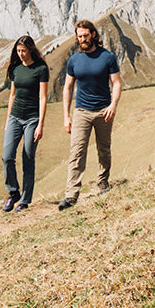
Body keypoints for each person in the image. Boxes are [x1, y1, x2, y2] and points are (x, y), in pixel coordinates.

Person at [58, 19, 121, 210]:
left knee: (104, 149)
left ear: (93, 34)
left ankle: (102, 183)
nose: (83, 39)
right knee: (77, 152)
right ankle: (71, 195)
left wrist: (113, 105)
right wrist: (66, 116)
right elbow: (68, 87)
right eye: (79, 37)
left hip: (103, 110)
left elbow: (116, 83)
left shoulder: (107, 57)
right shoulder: (74, 60)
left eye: (85, 35)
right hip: (82, 112)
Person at [1, 35, 49, 212]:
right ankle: (13, 192)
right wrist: (8, 119)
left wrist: (40, 124)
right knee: (7, 157)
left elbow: (43, 98)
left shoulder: (41, 69)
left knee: (28, 158)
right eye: (18, 51)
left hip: (32, 119)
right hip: (15, 117)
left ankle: (25, 200)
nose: (20, 54)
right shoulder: (15, 68)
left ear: (31, 50)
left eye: (23, 51)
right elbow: (12, 95)